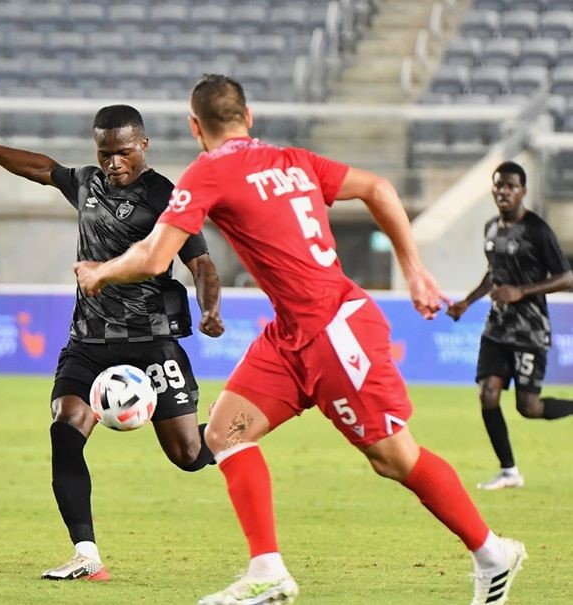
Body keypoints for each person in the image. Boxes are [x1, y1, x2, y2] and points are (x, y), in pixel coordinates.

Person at [74, 75, 525, 605]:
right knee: (225, 432)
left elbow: (154, 257)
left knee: (394, 458)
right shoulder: (292, 159)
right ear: (249, 116)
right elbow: (379, 188)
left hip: (335, 331)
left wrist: (101, 272)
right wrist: (414, 269)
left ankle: (492, 553)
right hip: (290, 334)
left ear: (195, 127)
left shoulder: (210, 170)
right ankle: (267, 571)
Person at [0, 105, 224, 581]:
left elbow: (203, 265)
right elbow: (42, 169)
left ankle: (236, 426)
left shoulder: (167, 199)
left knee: (188, 456)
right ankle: (86, 555)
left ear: (144, 145)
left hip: (150, 342)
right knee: (65, 426)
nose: (113, 163)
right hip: (88, 342)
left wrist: (210, 308)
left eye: (123, 152)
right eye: (105, 153)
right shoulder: (88, 184)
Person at [447, 161, 573, 491]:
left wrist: (521, 291)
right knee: (488, 393)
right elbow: (494, 273)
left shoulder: (537, 230)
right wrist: (467, 302)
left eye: (511, 186)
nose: (503, 191)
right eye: (499, 185)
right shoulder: (491, 228)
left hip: (530, 329)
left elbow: (566, 277)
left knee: (529, 407)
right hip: (497, 328)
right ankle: (508, 471)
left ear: (523, 191)